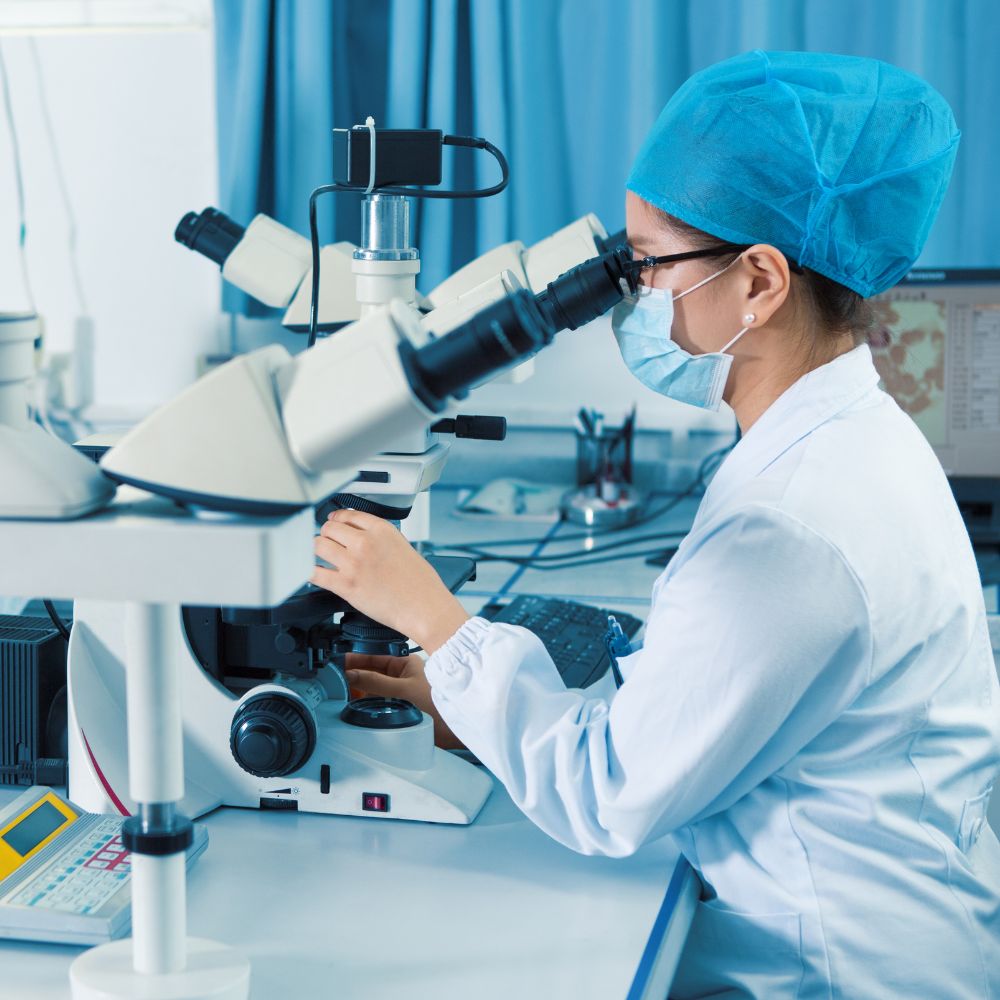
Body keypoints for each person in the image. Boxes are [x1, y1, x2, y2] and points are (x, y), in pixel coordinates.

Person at [311, 50, 1000, 998]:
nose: (626, 293)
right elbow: (692, 705)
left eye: (647, 264)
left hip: (838, 972)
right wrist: (465, 702)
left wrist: (439, 623)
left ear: (760, 282)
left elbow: (608, 796)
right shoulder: (847, 440)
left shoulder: (789, 530)